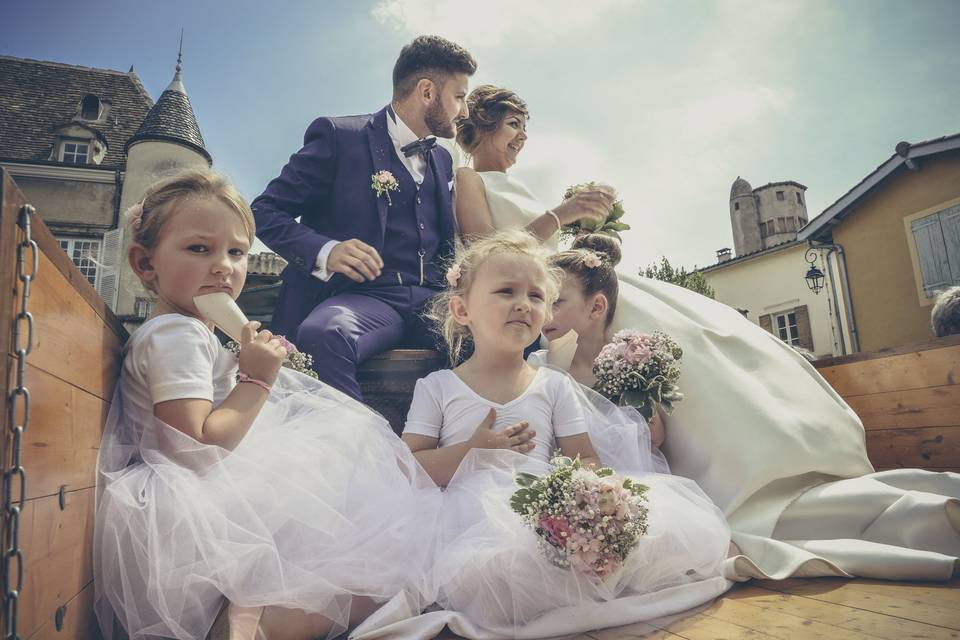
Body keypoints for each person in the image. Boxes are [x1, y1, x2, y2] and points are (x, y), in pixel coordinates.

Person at [452, 83, 960, 581]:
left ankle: (767, 471)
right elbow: (490, 251)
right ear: (483, 127)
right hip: (544, 303)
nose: (522, 137)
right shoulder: (469, 179)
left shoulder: (520, 187)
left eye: (525, 127)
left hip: (573, 298)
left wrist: (583, 240)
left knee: (699, 348)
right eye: (514, 125)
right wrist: (562, 215)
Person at [94, 169, 441, 640]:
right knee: (374, 569)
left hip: (202, 486)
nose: (223, 266)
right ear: (144, 263)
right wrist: (257, 378)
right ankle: (249, 623)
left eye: (236, 252)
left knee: (357, 547)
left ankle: (254, 612)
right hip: (189, 497)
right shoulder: (177, 335)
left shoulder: (188, 329)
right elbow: (195, 448)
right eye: (199, 249)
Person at [399, 230, 730, 638]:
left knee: (629, 545)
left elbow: (585, 457)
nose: (524, 303)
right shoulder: (438, 386)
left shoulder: (553, 385)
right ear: (462, 310)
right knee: (488, 574)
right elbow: (409, 465)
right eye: (506, 291)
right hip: (461, 520)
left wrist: (587, 497)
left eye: (537, 297)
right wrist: (471, 450)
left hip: (539, 510)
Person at [251, 35, 476, 400]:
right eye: (460, 97)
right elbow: (262, 212)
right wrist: (327, 250)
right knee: (325, 333)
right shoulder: (340, 137)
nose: (464, 112)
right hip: (363, 298)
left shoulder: (443, 159)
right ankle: (360, 450)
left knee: (499, 334)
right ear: (427, 92)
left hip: (432, 302)